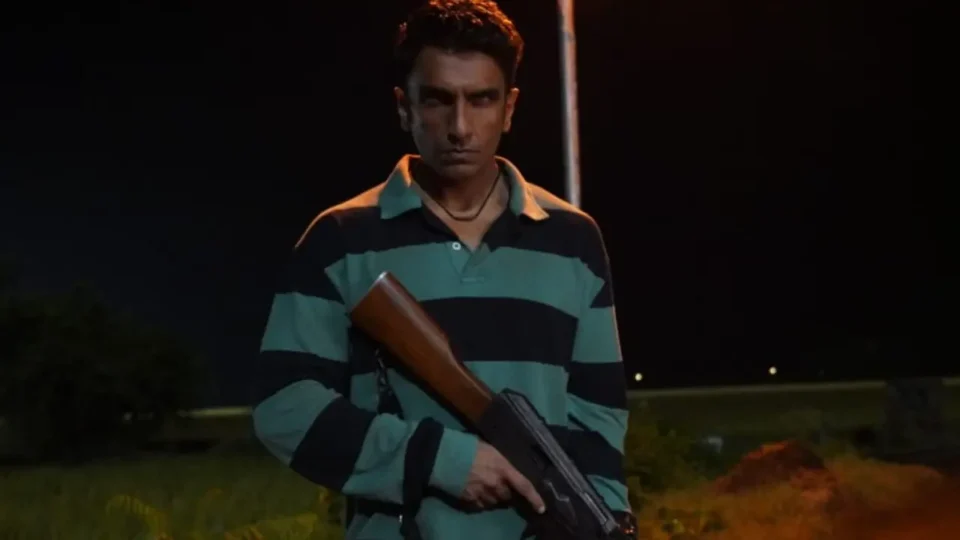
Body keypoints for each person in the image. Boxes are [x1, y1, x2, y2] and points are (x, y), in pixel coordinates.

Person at [252, 1, 633, 539]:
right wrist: (442, 461)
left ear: (509, 108)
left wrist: (603, 519)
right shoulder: (340, 239)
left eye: (481, 100)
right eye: (437, 99)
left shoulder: (573, 239)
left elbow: (599, 416)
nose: (459, 127)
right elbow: (282, 408)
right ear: (404, 107)